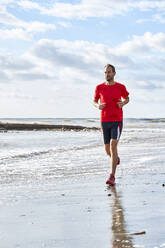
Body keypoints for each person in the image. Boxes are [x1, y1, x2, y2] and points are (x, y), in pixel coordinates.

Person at [93, 64, 129, 185]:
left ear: (114, 73)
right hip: (104, 121)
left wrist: (123, 103)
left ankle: (112, 176)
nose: (107, 74)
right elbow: (94, 101)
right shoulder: (99, 87)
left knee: (113, 146)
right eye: (105, 72)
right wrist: (98, 106)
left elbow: (127, 98)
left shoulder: (120, 87)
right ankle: (115, 159)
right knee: (108, 150)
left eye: (109, 72)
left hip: (117, 120)